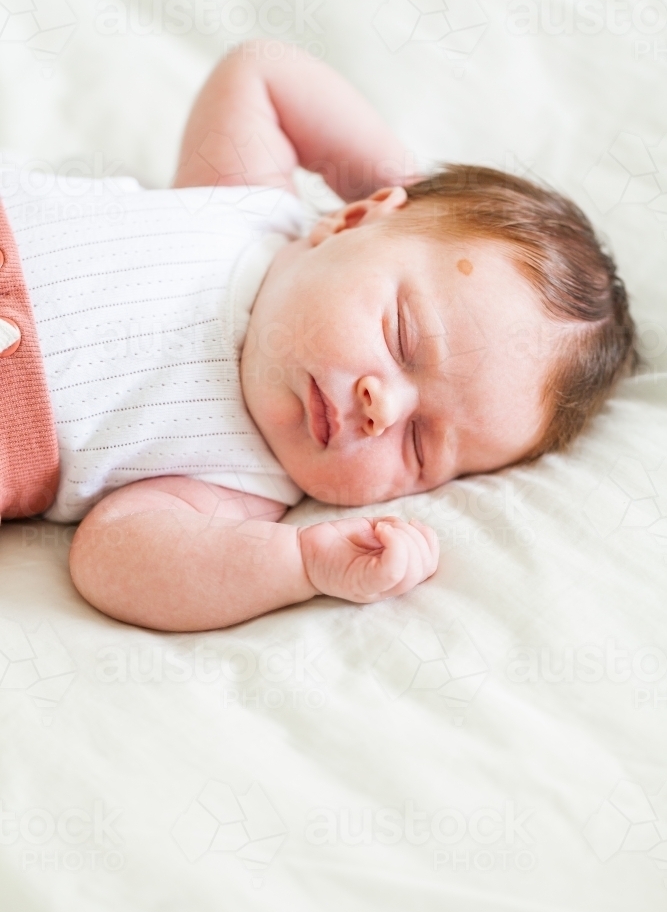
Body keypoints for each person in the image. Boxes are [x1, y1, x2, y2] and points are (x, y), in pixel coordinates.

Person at [0, 41, 637, 631]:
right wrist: (405, 192)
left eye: (419, 446)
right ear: (351, 221)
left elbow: (111, 559)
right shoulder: (244, 208)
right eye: (401, 337)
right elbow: (262, 73)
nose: (382, 409)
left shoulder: (241, 486)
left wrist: (299, 565)